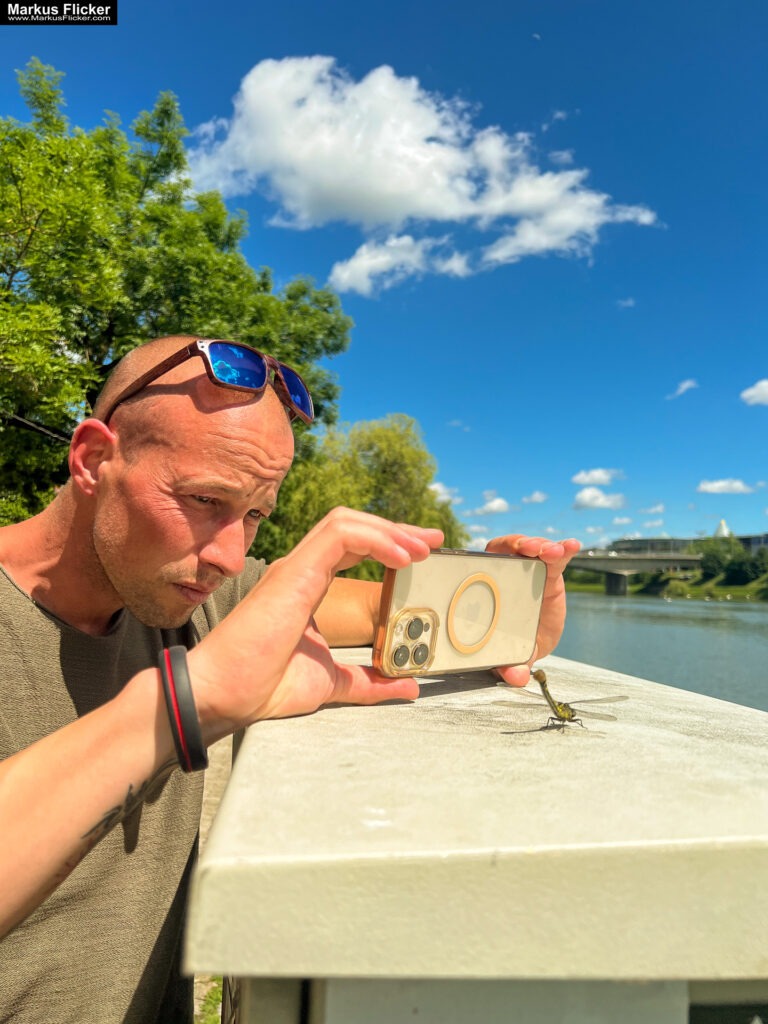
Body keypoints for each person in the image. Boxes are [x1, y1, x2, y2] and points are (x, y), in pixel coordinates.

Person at [0, 335, 580, 1023]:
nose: (228, 554)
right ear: (95, 458)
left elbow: (388, 614)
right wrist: (189, 701)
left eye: (254, 515)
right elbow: (208, 684)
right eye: (204, 499)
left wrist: (511, 623)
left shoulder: (194, 589)